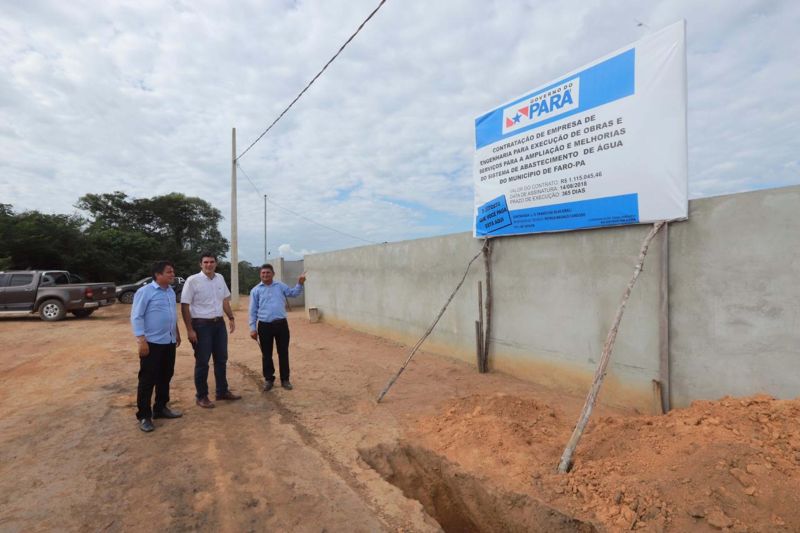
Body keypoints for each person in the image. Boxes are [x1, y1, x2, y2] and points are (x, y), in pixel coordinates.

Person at [181, 252, 242, 408]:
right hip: (201, 326)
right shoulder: (192, 280)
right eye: (206, 262)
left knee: (221, 359)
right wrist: (189, 330)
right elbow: (185, 306)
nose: (209, 265)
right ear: (200, 264)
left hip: (219, 325)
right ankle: (201, 396)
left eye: (212, 262)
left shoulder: (220, 278)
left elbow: (224, 300)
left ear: (216, 263)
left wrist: (231, 317)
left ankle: (222, 391)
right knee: (202, 362)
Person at [131, 260, 182, 432]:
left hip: (169, 341)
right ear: (158, 274)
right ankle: (144, 416)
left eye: (172, 271)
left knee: (165, 376)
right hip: (152, 343)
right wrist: (141, 340)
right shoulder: (145, 292)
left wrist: (176, 332)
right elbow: (136, 316)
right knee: (147, 380)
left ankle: (160, 408)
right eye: (169, 272)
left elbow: (171, 314)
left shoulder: (170, 291)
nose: (172, 274)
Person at [248, 264, 306, 391]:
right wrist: (253, 328)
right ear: (260, 275)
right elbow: (252, 311)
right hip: (264, 326)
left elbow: (293, 293)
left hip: (281, 325)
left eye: (268, 272)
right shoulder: (255, 290)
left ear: (273, 274)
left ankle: (285, 379)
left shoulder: (280, 286)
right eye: (263, 273)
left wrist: (300, 283)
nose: (265, 275)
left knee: (283, 352)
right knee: (266, 354)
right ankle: (269, 379)